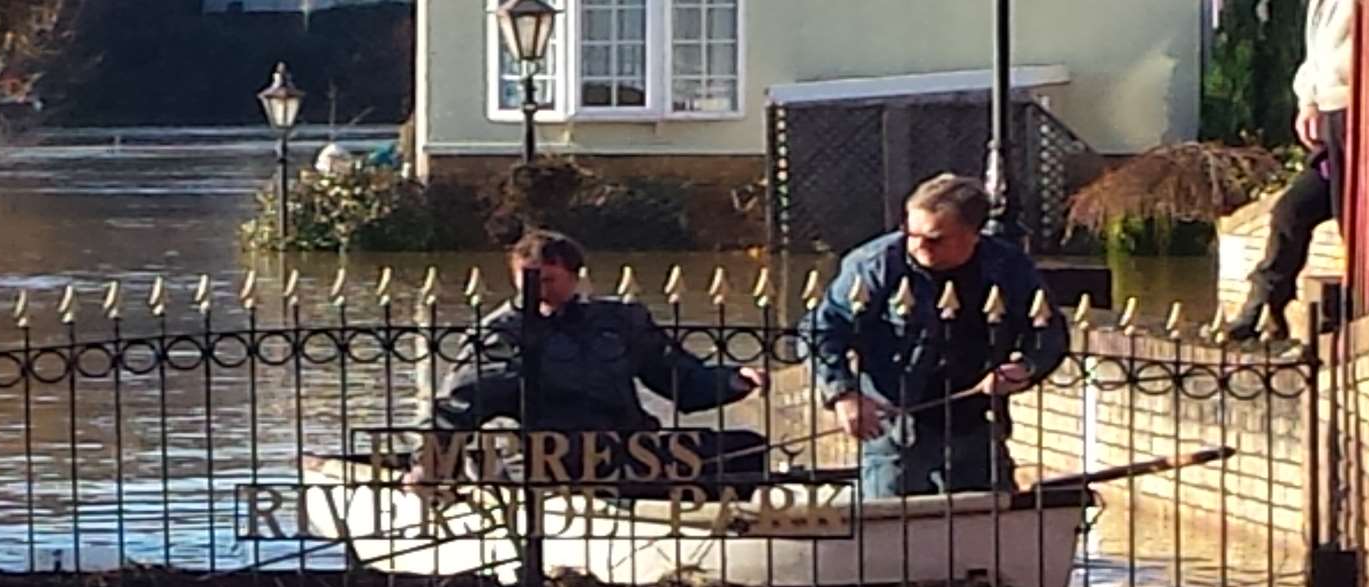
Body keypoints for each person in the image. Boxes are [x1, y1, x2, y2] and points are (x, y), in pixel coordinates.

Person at [413, 229, 769, 485]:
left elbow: (678, 377)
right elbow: (459, 404)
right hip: (544, 458)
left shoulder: (620, 321)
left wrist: (733, 380)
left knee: (745, 450)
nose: (537, 290)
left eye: (548, 280)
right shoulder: (500, 333)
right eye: (527, 280)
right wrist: (428, 462)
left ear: (575, 277)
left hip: (627, 448)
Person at [800, 174, 1069, 499]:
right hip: (896, 427)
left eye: (935, 238)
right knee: (890, 534)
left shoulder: (1007, 266)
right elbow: (821, 330)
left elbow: (1048, 332)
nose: (919, 246)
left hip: (975, 423)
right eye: (911, 234)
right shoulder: (874, 265)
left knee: (986, 530)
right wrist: (843, 393)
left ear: (972, 234)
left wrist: (1026, 367)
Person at [1227, 0, 1355, 341]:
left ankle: (1355, 307)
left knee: (1352, 217)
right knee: (1291, 211)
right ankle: (1267, 302)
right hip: (1331, 116)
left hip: (1359, 113)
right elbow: (1316, 58)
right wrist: (1308, 102)